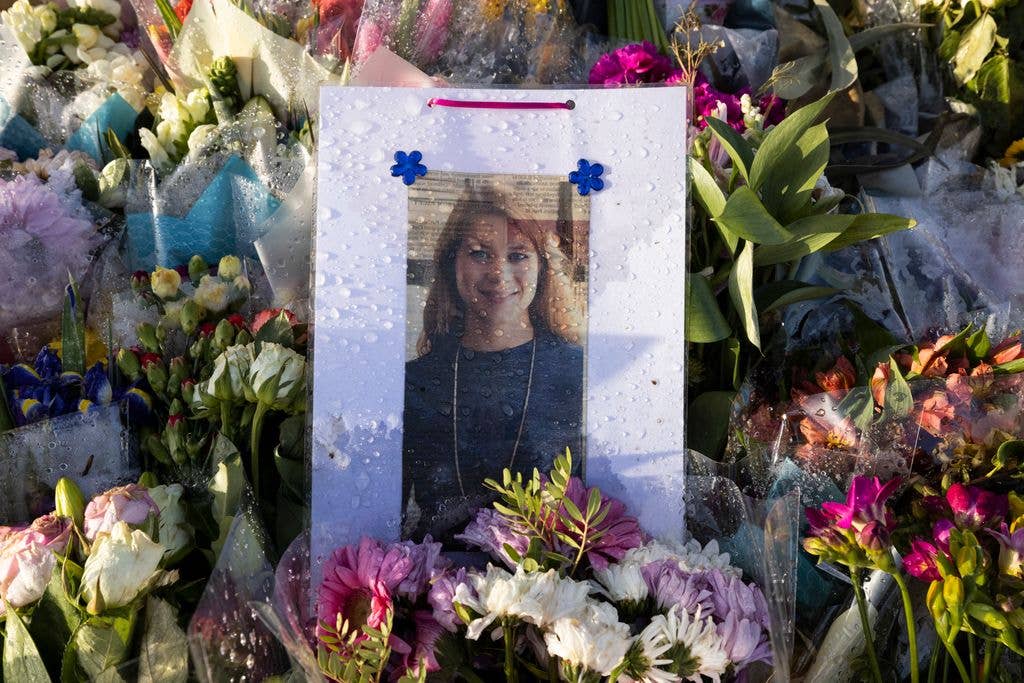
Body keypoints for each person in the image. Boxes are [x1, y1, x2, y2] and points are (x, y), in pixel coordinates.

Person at [402, 182, 585, 541]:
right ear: (451, 264)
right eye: (480, 254)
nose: (499, 273)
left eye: (518, 255)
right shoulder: (414, 382)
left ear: (542, 267)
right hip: (433, 573)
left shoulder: (580, 374)